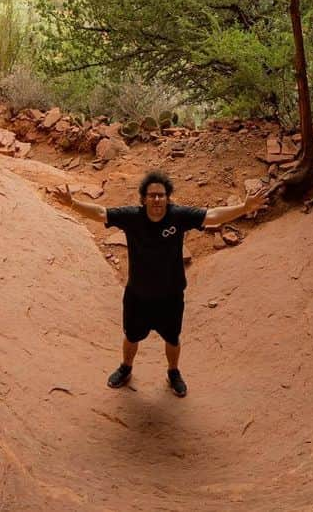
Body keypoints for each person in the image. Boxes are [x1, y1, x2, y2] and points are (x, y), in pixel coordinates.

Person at [53, 169, 266, 397]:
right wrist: (73, 204)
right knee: (131, 336)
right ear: (144, 199)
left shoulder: (178, 216)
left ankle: (173, 372)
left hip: (171, 296)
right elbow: (101, 213)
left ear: (168, 197)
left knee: (172, 338)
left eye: (161, 195)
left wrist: (244, 208)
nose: (157, 199)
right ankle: (126, 367)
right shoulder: (132, 216)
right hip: (137, 295)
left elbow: (211, 216)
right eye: (152, 195)